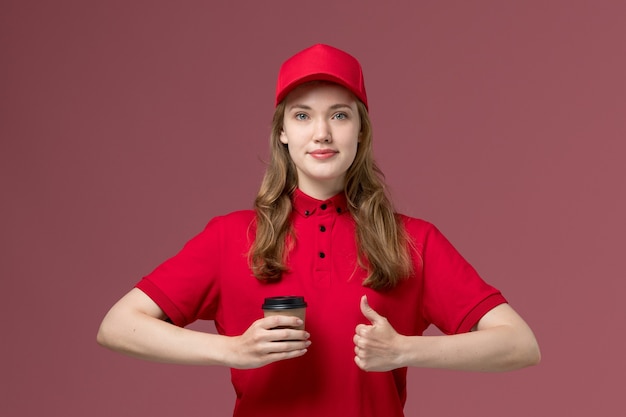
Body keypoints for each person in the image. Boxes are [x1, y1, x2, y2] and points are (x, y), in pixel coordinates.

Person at [97, 44, 540, 416]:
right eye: (303, 116)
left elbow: (519, 344)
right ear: (283, 132)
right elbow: (118, 326)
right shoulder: (230, 237)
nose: (322, 133)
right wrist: (231, 350)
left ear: (361, 132)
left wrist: (405, 350)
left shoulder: (413, 241)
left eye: (341, 116)